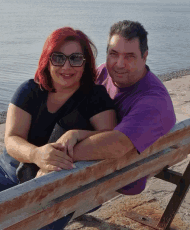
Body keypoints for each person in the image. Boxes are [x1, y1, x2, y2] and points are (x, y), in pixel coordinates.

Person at [0, 27, 117, 226]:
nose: (66, 66)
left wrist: (76, 134)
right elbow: (12, 138)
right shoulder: (29, 90)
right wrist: (37, 154)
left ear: (85, 63)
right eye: (58, 58)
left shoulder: (95, 97)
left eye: (75, 58)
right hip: (7, 168)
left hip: (56, 187)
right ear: (47, 60)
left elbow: (110, 138)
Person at [66, 20, 176, 195]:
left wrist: (58, 152)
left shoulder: (153, 101)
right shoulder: (103, 72)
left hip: (119, 178)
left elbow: (117, 145)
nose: (119, 63)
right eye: (114, 53)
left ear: (144, 56)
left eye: (129, 56)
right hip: (99, 168)